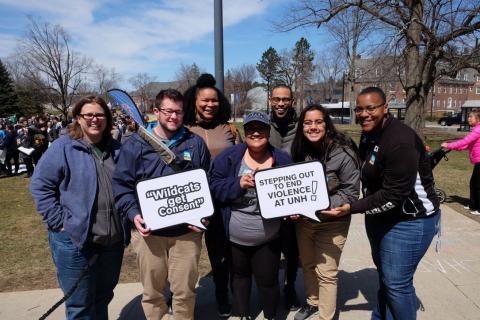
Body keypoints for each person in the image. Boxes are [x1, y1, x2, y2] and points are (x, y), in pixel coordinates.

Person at [322, 87, 440, 320]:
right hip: (380, 217)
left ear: (385, 108)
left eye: (371, 108)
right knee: (388, 280)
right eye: (359, 109)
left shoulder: (400, 140)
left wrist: (352, 207)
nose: (364, 114)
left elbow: (393, 195)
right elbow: (364, 168)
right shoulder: (369, 133)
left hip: (410, 221)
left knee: (397, 284)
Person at [112, 89, 211, 320]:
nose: (173, 117)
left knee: (185, 292)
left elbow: (208, 184)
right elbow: (121, 186)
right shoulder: (135, 144)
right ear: (156, 112)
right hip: (149, 234)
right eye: (168, 111)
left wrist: (205, 215)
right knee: (153, 293)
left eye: (178, 112)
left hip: (186, 233)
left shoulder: (195, 143)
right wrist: (133, 214)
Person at [30, 96, 126, 320]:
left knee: (103, 296)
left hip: (112, 241)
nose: (95, 119)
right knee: (79, 305)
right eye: (88, 115)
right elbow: (40, 186)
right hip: (75, 241)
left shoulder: (117, 149)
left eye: (100, 114)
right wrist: (59, 222)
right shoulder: (64, 147)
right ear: (78, 118)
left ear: (108, 118)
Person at [210, 112, 292, 320]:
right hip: (235, 236)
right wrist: (237, 184)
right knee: (239, 277)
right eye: (251, 129)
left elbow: (293, 193)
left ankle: (271, 315)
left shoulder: (282, 159)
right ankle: (243, 314)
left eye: (261, 128)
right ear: (245, 132)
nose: (256, 133)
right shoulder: (229, 158)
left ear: (268, 131)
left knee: (268, 280)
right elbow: (214, 187)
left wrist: (294, 209)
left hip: (269, 235)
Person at [290, 105, 360, 320]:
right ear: (302, 127)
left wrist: (320, 204)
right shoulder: (299, 150)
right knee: (309, 265)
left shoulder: (344, 151)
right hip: (305, 222)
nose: (313, 127)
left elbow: (351, 192)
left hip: (334, 221)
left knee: (327, 273)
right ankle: (313, 302)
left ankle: (326, 316)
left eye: (318, 122)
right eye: (308, 123)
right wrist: (292, 207)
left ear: (326, 124)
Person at [183, 73, 241, 317]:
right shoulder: (183, 129)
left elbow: (241, 160)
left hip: (222, 202)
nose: (209, 105)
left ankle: (222, 296)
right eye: (204, 100)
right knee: (183, 256)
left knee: (221, 254)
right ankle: (180, 297)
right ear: (194, 102)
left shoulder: (229, 129)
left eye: (214, 100)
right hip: (190, 203)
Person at [268, 84, 301, 310]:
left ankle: (290, 289)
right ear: (271, 100)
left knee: (292, 250)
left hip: (294, 197)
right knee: (269, 248)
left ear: (292, 101)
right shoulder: (262, 126)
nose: (281, 104)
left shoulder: (301, 127)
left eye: (285, 100)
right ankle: (269, 289)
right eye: (277, 99)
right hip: (268, 197)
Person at [441, 109, 480, 215]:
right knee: (474, 183)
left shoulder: (478, 130)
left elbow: (465, 141)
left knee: (477, 185)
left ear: (477, 118)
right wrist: (453, 147)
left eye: (470, 117)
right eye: (468, 117)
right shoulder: (476, 129)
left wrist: (449, 145)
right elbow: (467, 145)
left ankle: (478, 208)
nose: (468, 119)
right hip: (478, 161)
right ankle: (473, 204)